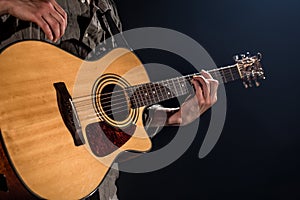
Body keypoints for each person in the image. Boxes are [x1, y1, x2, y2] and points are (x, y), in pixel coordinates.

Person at [0, 0, 219, 199]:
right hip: (18, 153)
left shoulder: (108, 13)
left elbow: (118, 111)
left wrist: (175, 117)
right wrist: (10, 3)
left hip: (91, 184)